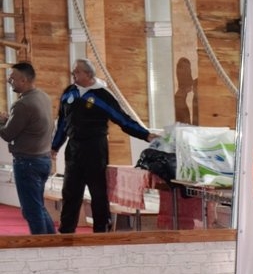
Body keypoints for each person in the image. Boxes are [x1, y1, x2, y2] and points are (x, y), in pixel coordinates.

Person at [51, 58, 157, 233]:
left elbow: (123, 119)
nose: (73, 74)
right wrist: (55, 146)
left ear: (88, 74)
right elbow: (62, 123)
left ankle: (101, 230)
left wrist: (145, 135)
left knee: (98, 192)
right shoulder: (69, 93)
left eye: (77, 71)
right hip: (73, 148)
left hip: (95, 148)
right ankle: (66, 231)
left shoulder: (103, 95)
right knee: (70, 192)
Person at [0, 62, 56, 235]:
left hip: (27, 163)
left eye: (12, 78)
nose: (9, 80)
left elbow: (7, 134)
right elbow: (30, 123)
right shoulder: (43, 97)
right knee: (38, 206)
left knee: (32, 211)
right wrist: (7, 120)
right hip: (43, 159)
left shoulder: (22, 104)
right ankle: (52, 242)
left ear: (23, 80)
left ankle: (41, 245)